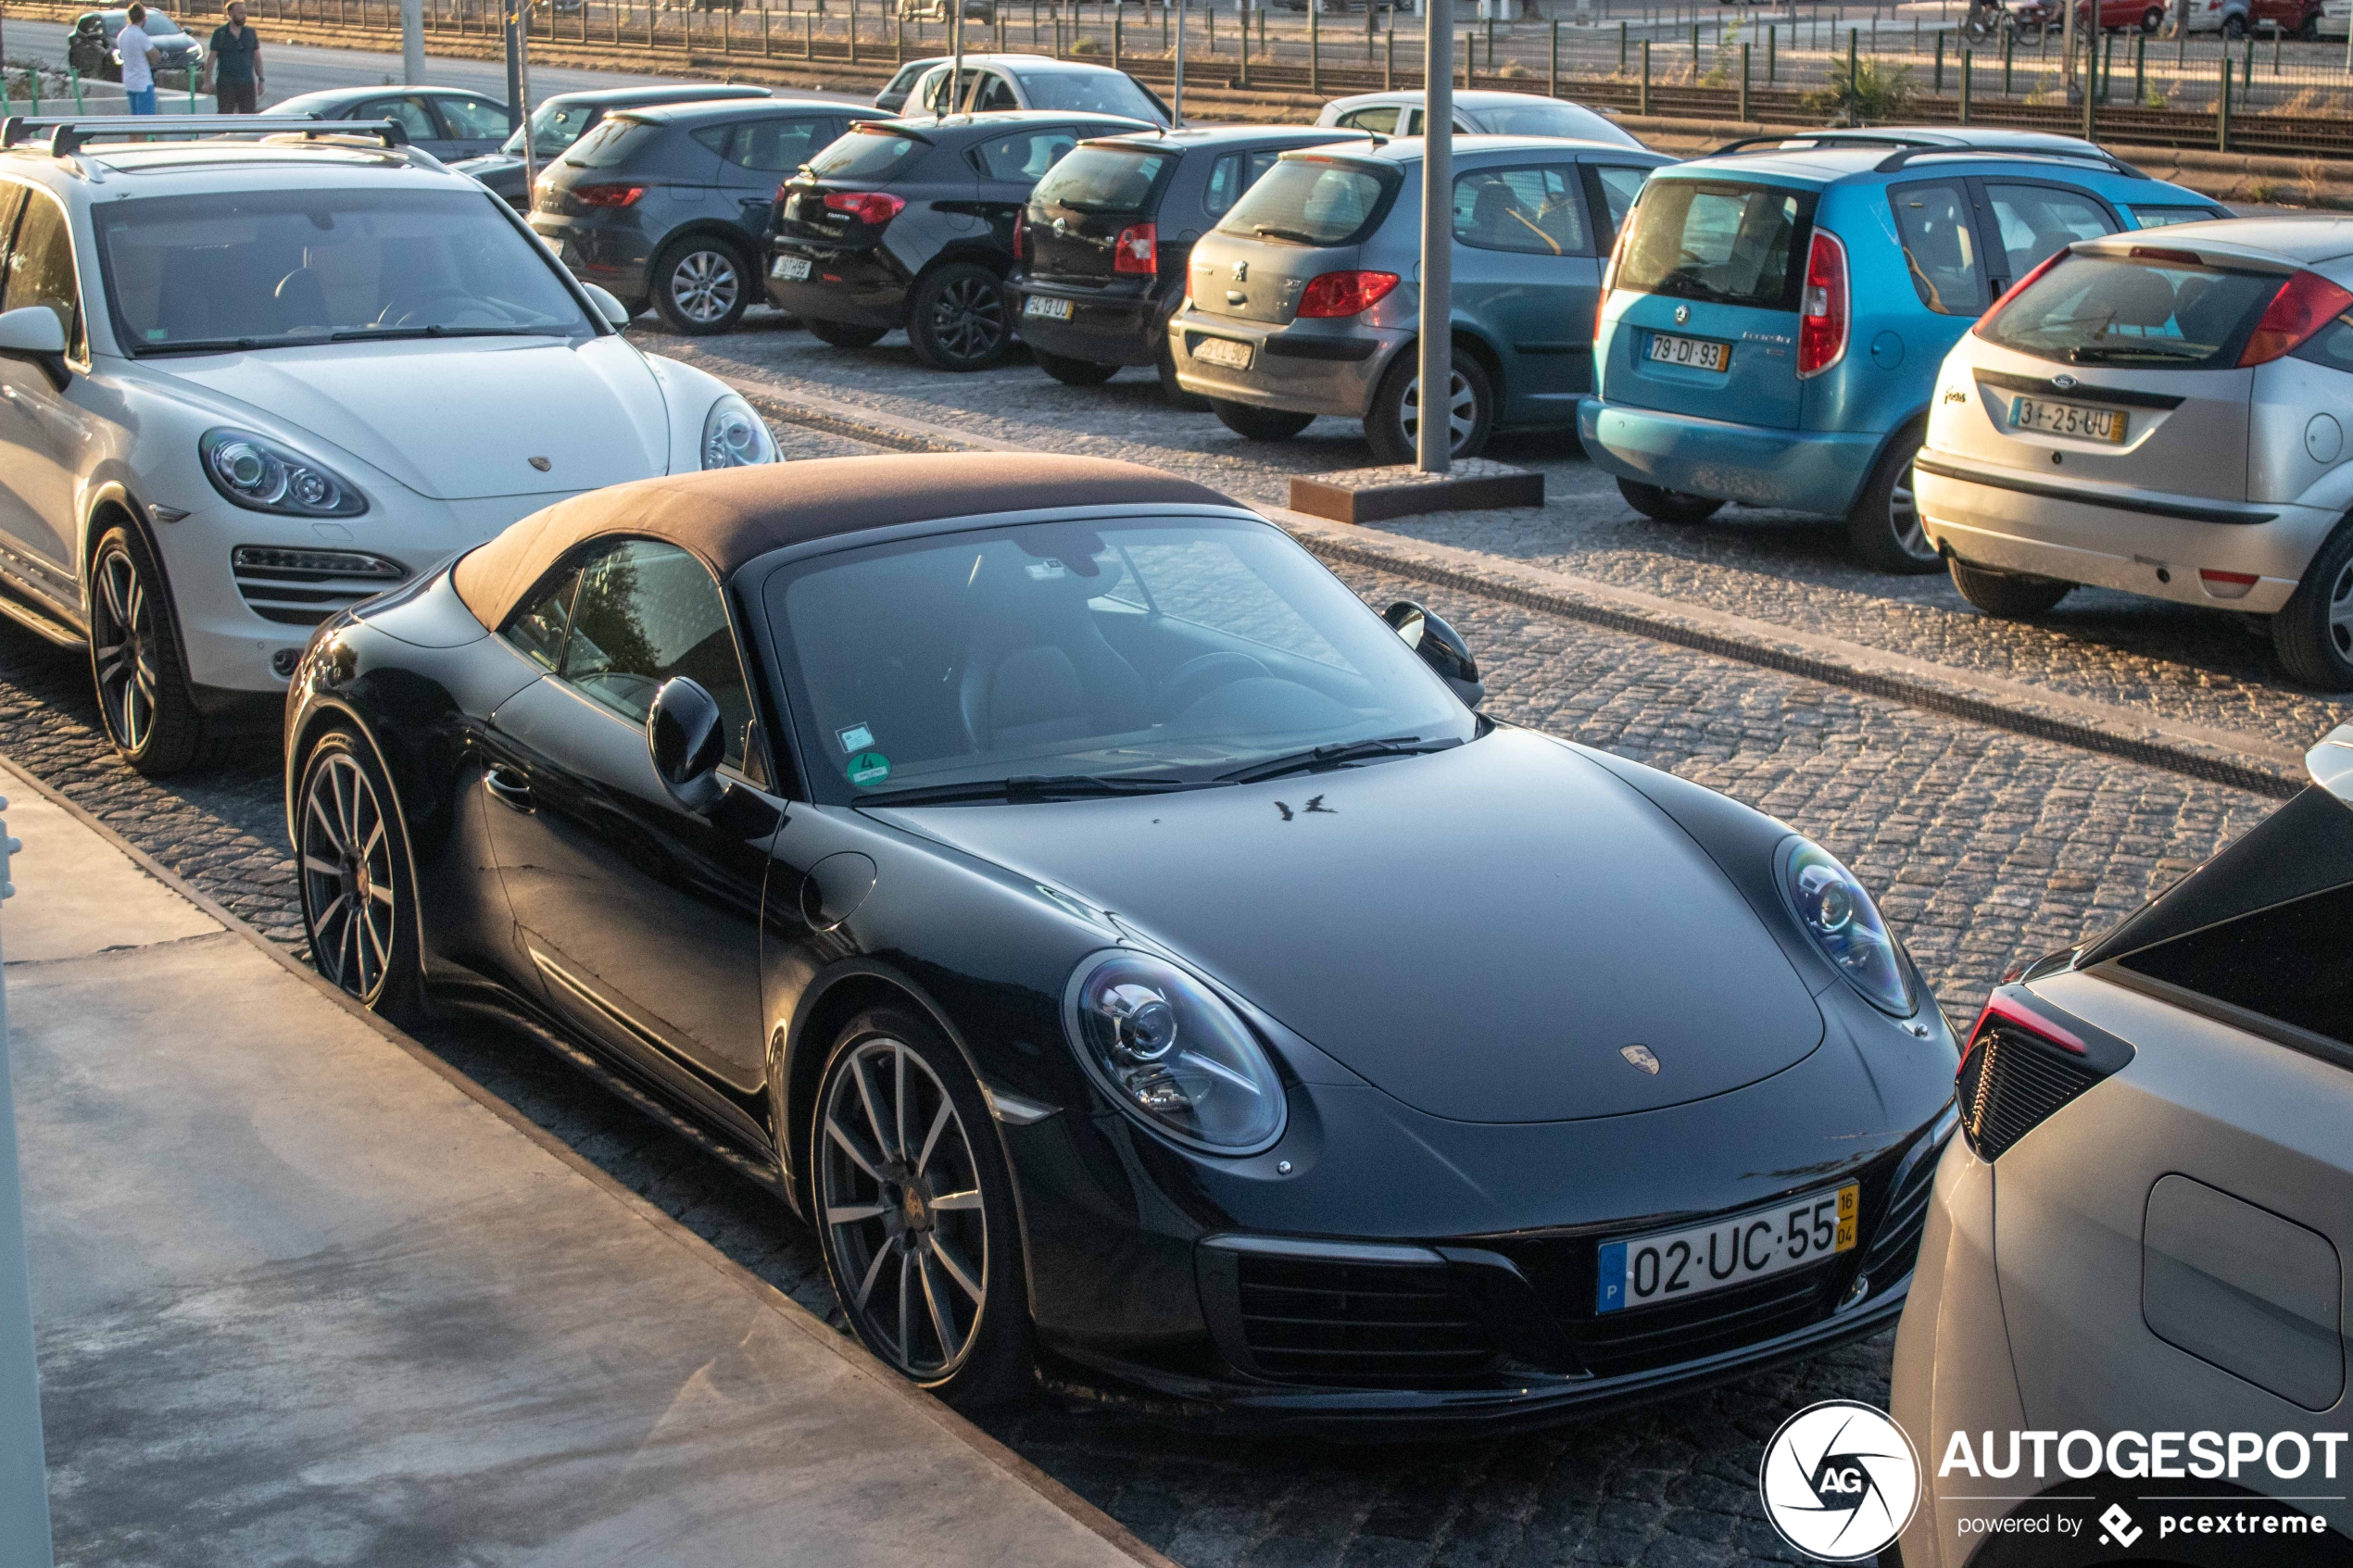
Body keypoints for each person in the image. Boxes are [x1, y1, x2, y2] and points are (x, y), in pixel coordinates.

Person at [201, 2, 264, 115]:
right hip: (226, 84)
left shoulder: (250, 33)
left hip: (247, 83)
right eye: (240, 13)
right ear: (230, 13)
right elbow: (211, 59)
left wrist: (261, 79)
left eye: (245, 13)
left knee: (249, 116)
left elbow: (257, 57)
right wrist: (207, 81)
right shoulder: (220, 34)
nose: (244, 16)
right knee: (225, 115)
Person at [116, 3, 162, 116]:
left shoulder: (122, 35)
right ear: (144, 18)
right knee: (145, 125)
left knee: (135, 124)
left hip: (129, 82)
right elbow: (156, 57)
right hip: (143, 84)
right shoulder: (140, 35)